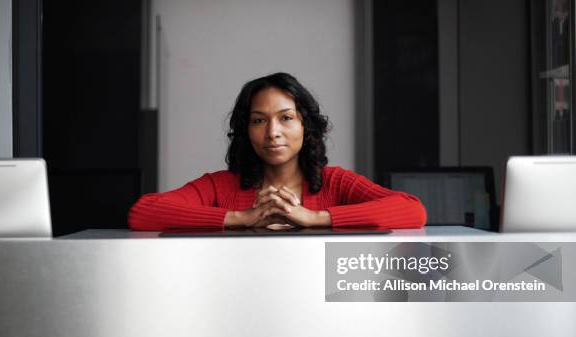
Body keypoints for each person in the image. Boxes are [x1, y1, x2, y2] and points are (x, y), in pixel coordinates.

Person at [128, 73, 426, 230]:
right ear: (246, 129)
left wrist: (313, 217)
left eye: (285, 118)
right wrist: (241, 218)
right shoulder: (220, 186)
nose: (272, 132)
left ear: (304, 125)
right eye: (259, 120)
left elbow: (412, 210)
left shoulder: (335, 182)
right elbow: (143, 213)